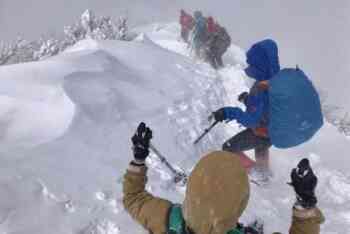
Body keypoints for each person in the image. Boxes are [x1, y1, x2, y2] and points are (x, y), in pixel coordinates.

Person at [123, 122, 324, 234]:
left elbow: (133, 197)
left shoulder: (164, 219)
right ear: (241, 203)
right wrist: (305, 204)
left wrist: (138, 161)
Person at [212, 39, 280, 182]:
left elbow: (252, 121)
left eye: (253, 63)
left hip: (261, 131)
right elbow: (262, 107)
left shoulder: (264, 87)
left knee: (228, 147)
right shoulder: (272, 79)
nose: (250, 66)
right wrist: (247, 99)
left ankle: (257, 174)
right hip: (271, 132)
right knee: (261, 147)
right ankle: (265, 173)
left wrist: (227, 112)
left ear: (261, 63)